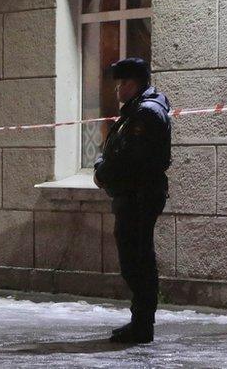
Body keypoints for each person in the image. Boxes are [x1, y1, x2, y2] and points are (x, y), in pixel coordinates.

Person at [93, 57, 171, 344]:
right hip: (133, 194)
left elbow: (130, 158)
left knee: (138, 259)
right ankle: (139, 321)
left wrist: (103, 173)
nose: (118, 89)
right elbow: (114, 149)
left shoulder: (146, 114)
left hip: (140, 195)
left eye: (122, 83)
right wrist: (104, 167)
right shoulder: (136, 111)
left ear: (134, 84)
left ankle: (142, 325)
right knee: (134, 258)